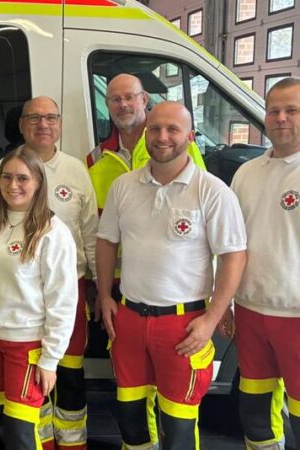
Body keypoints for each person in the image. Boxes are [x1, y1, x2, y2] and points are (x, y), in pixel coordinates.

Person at [97, 101, 247, 450]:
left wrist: (211, 319)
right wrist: (105, 295)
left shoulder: (212, 191)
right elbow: (106, 241)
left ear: (190, 136)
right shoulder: (123, 186)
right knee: (130, 419)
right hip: (129, 320)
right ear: (145, 134)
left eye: (172, 130)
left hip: (184, 325)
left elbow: (233, 257)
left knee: (178, 428)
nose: (162, 137)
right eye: (155, 129)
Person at [0, 147, 78, 450]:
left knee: (20, 432)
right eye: (6, 177)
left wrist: (50, 360)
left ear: (38, 183)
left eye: (23, 178)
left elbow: (63, 301)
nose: (13, 185)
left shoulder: (52, 232)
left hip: (27, 345)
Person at [0, 96, 97, 450]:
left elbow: (90, 233)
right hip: (18, 295)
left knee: (68, 373)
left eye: (51, 117)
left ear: (60, 124)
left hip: (69, 292)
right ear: (21, 125)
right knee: (28, 379)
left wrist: (97, 285)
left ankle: (71, 444)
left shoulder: (76, 171)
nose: (43, 124)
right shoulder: (1, 170)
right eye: (34, 118)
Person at [227, 76, 300, 448]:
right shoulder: (246, 173)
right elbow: (230, 245)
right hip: (251, 312)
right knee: (254, 415)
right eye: (274, 110)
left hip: (296, 316)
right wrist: (222, 302)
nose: (281, 118)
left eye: (292, 110)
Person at [86, 73, 207, 211]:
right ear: (107, 105)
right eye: (115, 99)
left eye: (129, 97)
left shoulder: (179, 146)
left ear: (144, 99)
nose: (123, 104)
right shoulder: (95, 160)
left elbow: (201, 196)